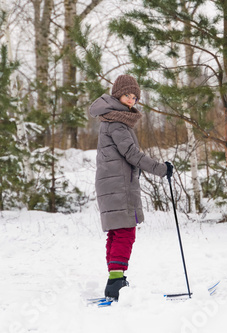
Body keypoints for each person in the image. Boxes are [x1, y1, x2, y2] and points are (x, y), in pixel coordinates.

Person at [88, 74, 174, 301]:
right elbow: (131, 154)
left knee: (117, 232)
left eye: (135, 97)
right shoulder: (117, 123)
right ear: (118, 95)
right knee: (125, 231)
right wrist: (160, 169)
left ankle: (114, 281)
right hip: (118, 186)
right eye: (127, 95)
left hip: (112, 184)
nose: (131, 100)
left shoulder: (112, 119)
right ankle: (116, 282)